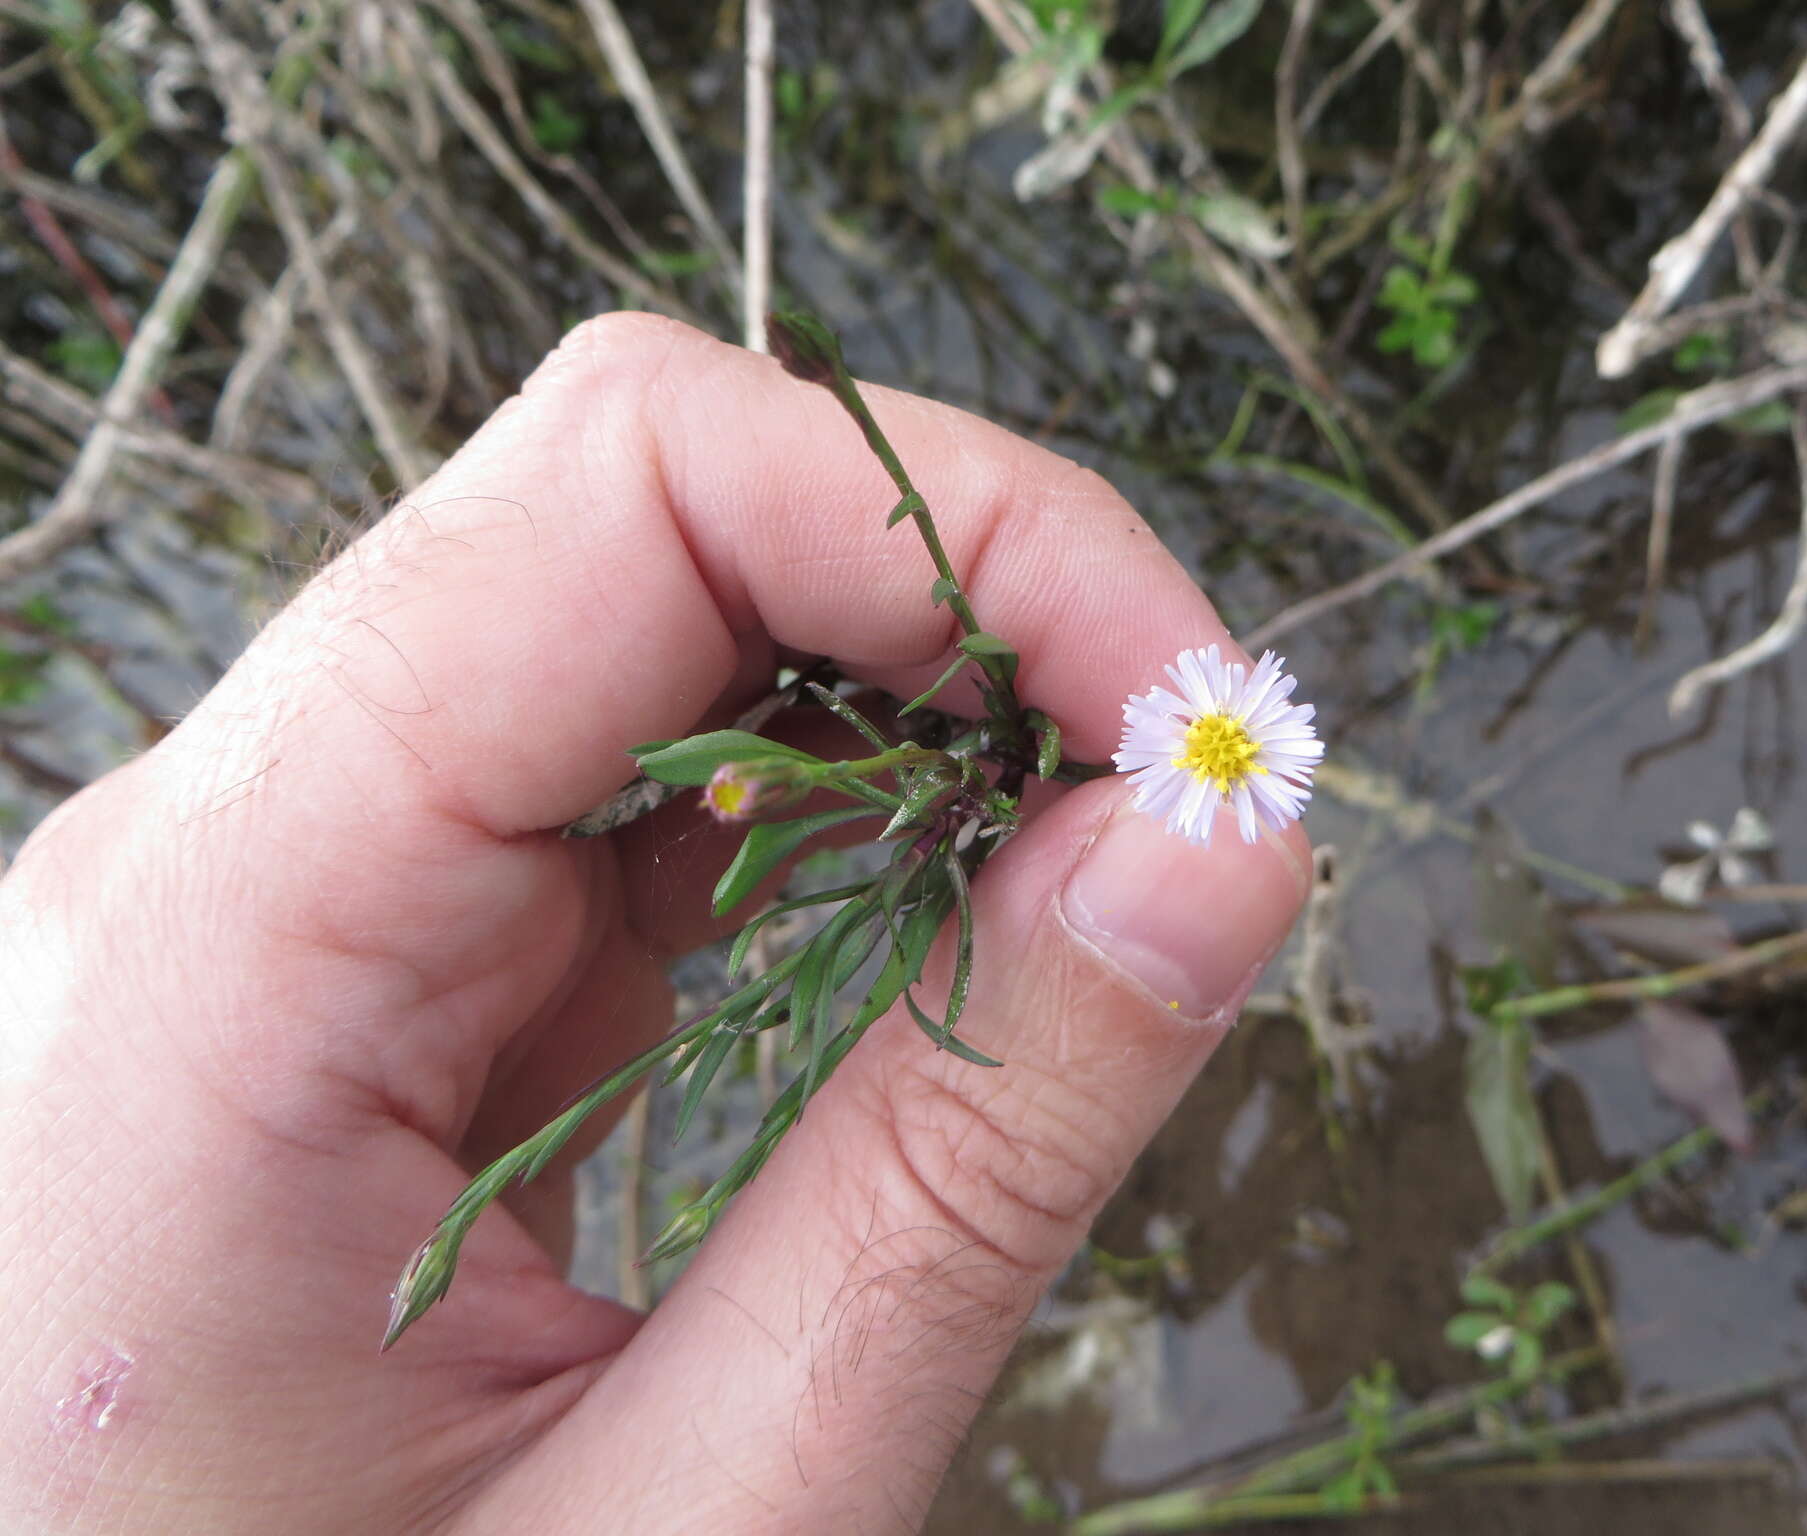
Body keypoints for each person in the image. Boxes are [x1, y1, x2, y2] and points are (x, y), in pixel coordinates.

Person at [0, 315, 1308, 1533]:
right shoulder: (1171, 739)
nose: (1217, 738)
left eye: (1226, 743)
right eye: (1213, 739)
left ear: (1235, 746)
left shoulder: (1215, 743)